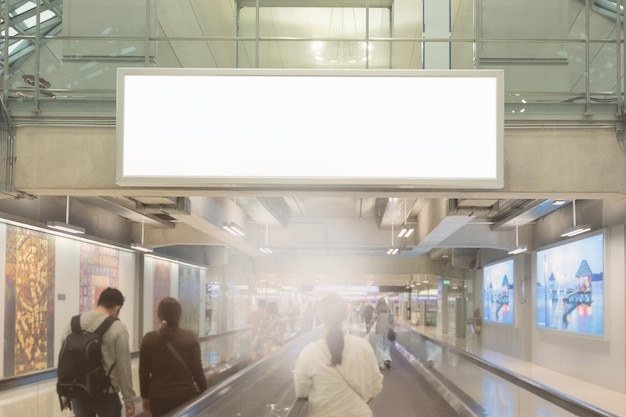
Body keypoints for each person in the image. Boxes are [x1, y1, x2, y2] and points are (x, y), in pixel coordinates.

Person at [294, 294, 383, 417]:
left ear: (320, 317)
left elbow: (301, 391)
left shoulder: (309, 352)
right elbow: (376, 386)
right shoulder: (363, 346)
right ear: (345, 315)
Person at [62, 287, 136, 417]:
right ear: (117, 308)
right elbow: (123, 367)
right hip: (106, 395)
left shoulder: (73, 323)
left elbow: (64, 360)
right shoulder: (118, 328)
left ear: (99, 302)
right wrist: (128, 400)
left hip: (78, 392)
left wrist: (65, 394)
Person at [139, 297, 208, 417]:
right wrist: (205, 391)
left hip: (158, 397)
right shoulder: (190, 337)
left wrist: (144, 396)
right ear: (179, 315)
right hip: (185, 395)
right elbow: (197, 369)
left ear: (159, 315)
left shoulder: (149, 338)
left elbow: (143, 372)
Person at [370, 298, 393, 370]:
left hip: (379, 330)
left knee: (379, 346)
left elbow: (373, 319)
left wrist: (369, 324)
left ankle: (380, 363)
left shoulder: (377, 310)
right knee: (386, 345)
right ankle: (387, 358)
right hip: (387, 330)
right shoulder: (388, 309)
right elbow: (391, 319)